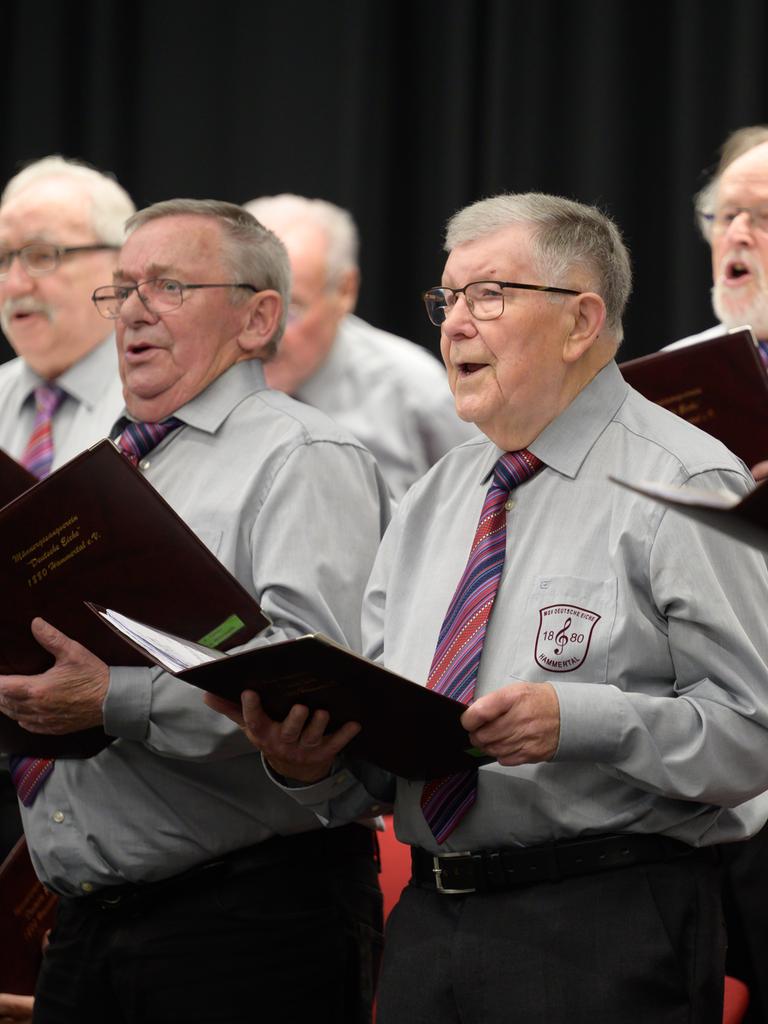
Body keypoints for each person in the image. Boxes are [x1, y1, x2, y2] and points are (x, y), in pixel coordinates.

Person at [212, 193, 768, 1024]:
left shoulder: (686, 483)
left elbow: (753, 736)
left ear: (581, 321)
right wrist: (309, 761)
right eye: (447, 299)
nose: (456, 326)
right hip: (429, 925)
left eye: (489, 296)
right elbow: (392, 744)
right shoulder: (434, 497)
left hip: (605, 923)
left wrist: (578, 720)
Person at [0, 199, 390, 1024]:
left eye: (169, 286)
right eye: (122, 289)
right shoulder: (100, 467)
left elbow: (313, 681)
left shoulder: (302, 457)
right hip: (86, 924)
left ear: (258, 318)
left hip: (245, 925)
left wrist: (113, 699)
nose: (133, 310)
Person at [0, 156, 134, 865]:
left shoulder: (156, 407)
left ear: (120, 267)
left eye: (42, 255)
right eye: (3, 259)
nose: (15, 282)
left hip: (132, 780)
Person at [665, 125, 768, 1024]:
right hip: (719, 784)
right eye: (723, 216)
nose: (737, 236)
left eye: (763, 218)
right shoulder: (676, 378)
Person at [244, 193, 475, 499]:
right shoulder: (204, 378)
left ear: (345, 291)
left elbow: (477, 500)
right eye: (249, 308)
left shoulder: (415, 393)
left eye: (291, 310)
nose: (264, 333)